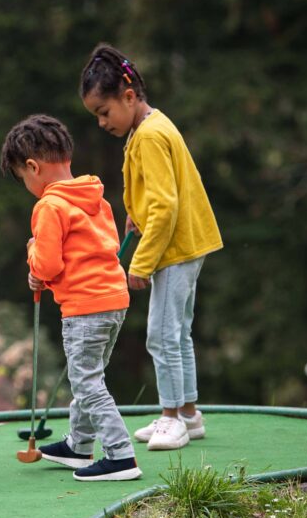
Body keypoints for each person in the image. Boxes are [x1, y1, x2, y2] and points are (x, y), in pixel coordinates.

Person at [79, 43, 223, 451]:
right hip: (189, 244)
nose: (102, 123)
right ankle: (190, 415)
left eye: (104, 112)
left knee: (161, 336)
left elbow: (165, 206)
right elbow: (160, 193)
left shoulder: (148, 138)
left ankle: (171, 417)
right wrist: (135, 213)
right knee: (179, 334)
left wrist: (141, 263)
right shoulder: (154, 125)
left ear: (128, 96)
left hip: (174, 250)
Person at [0, 114, 142, 482]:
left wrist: (33, 258)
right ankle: (79, 445)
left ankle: (121, 456)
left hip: (84, 307)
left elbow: (47, 264)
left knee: (86, 382)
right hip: (114, 300)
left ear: (33, 167)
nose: (27, 185)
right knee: (88, 376)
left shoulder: (50, 206)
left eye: (23, 178)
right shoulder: (96, 198)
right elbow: (90, 253)